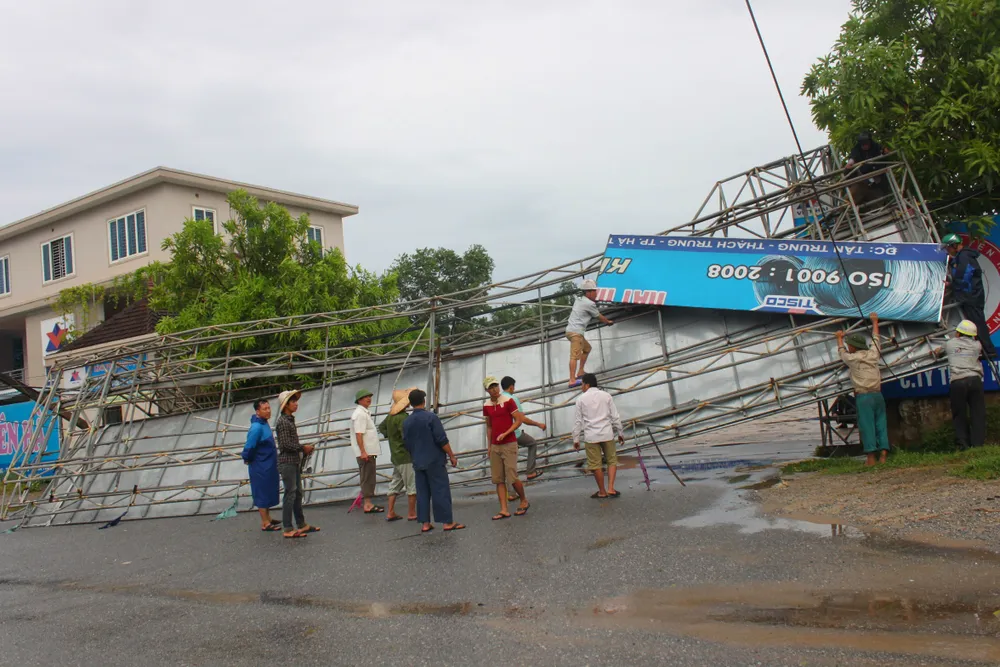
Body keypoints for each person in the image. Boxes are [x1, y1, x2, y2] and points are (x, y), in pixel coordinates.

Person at [402, 388, 464, 533]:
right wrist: (451, 455)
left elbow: (406, 443)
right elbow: (441, 439)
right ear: (424, 401)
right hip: (434, 460)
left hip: (418, 461)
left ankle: (425, 523)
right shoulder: (431, 418)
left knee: (422, 492)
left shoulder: (407, 422)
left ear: (410, 404)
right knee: (440, 490)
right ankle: (447, 522)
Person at [836, 313, 890, 466]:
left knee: (867, 426)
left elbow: (841, 352)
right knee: (881, 424)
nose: (848, 346)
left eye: (849, 344)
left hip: (864, 396)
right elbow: (876, 338)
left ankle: (871, 458)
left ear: (853, 347)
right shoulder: (873, 355)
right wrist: (875, 322)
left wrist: (839, 337)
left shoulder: (852, 359)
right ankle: (884, 454)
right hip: (878, 395)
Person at [942, 233, 997, 359]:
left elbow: (964, 276)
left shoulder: (964, 256)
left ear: (954, 245)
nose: (947, 250)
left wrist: (953, 283)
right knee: (976, 323)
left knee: (978, 324)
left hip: (971, 297)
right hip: (970, 296)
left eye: (948, 247)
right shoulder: (962, 256)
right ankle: (985, 350)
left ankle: (989, 351)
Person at [572, 373, 626, 498]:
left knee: (595, 464)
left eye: (582, 384)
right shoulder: (606, 396)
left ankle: (602, 491)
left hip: (591, 436)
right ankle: (611, 488)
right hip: (607, 434)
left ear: (587, 384)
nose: (581, 387)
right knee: (612, 460)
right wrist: (620, 433)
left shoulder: (580, 399)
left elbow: (578, 421)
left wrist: (576, 439)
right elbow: (615, 416)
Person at [934, 320, 986, 449]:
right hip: (975, 380)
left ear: (958, 333)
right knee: (978, 413)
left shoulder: (950, 344)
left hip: (958, 381)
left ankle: (963, 445)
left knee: (959, 414)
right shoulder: (977, 345)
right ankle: (978, 444)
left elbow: (938, 352)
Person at [482, 376, 529, 520]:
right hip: (496, 445)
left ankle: (523, 500)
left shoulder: (508, 401)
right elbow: (489, 426)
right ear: (487, 390)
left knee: (512, 477)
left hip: (509, 443)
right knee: (498, 479)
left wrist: (507, 433)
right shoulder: (487, 405)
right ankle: (503, 509)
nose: (494, 389)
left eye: (496, 386)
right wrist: (489, 445)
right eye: (491, 387)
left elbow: (518, 420)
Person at [274, 389, 319, 538]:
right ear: (286, 405)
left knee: (297, 493)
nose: (296, 404)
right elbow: (285, 445)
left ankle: (301, 524)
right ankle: (287, 528)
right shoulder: (283, 422)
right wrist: (302, 447)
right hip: (287, 462)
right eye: (293, 401)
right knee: (290, 494)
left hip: (293, 461)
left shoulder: (288, 420)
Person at [500, 376, 546, 504]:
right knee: (532, 443)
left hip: (502, 436)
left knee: (508, 465)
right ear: (511, 387)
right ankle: (530, 471)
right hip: (514, 434)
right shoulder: (512, 398)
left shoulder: (498, 399)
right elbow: (521, 419)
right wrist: (538, 424)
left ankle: (511, 493)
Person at [240, 398, 281, 531]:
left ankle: (268, 517)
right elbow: (249, 446)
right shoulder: (256, 427)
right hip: (260, 465)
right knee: (262, 492)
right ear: (258, 411)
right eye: (265, 409)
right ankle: (265, 522)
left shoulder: (264, 424)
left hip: (268, 464)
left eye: (269, 408)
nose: (268, 411)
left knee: (268, 490)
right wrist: (247, 458)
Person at [378, 388, 418, 522]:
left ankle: (391, 511)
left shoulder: (390, 417)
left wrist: (391, 436)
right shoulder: (404, 418)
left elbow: (381, 428)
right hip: (405, 456)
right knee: (411, 485)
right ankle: (412, 513)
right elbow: (406, 437)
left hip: (395, 455)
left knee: (395, 483)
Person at [566, 279, 614, 388]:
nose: (596, 293)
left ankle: (580, 372)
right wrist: (608, 322)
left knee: (587, 348)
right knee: (574, 356)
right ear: (588, 292)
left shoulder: (580, 300)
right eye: (594, 291)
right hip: (575, 333)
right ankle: (572, 380)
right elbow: (598, 316)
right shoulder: (589, 303)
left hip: (573, 331)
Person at [351, 389, 385, 514]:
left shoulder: (364, 413)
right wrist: (363, 451)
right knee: (367, 476)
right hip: (365, 452)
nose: (368, 398)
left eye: (369, 396)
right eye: (365, 397)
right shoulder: (360, 414)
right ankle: (367, 504)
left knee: (369, 475)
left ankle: (368, 502)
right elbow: (358, 434)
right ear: (359, 400)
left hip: (368, 451)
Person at [845, 131, 890, 206]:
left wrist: (885, 151)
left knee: (880, 199)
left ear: (869, 142)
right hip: (863, 179)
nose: (864, 145)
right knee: (851, 198)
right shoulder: (857, 149)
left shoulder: (875, 146)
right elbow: (853, 156)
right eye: (862, 144)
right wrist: (850, 162)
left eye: (866, 143)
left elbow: (883, 150)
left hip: (878, 179)